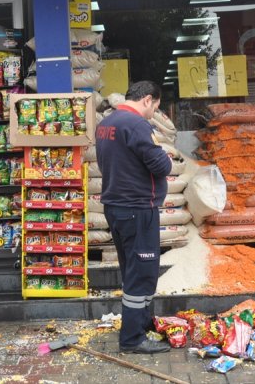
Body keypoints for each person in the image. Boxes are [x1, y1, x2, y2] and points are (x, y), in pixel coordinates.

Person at [95, 80, 173, 354]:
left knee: (133, 269)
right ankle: (132, 339)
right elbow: (160, 165)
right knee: (142, 273)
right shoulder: (137, 124)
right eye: (156, 108)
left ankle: (141, 325)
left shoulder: (107, 122)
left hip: (116, 207)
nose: (153, 114)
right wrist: (168, 157)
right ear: (148, 99)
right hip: (137, 209)